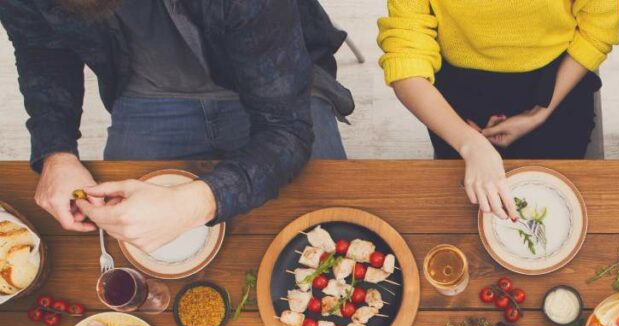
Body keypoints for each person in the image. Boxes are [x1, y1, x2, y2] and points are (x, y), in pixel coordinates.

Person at [0, 0, 354, 254]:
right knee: (133, 251)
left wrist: (198, 202)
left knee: (334, 233)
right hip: (145, 93)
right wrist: (56, 151)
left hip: (271, 83)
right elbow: (41, 46)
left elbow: (286, 129)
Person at [377, 0, 619, 220]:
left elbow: (598, 27)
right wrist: (468, 142)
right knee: (465, 206)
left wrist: (540, 112)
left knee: (556, 199)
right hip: (459, 89)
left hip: (558, 79)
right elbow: (405, 55)